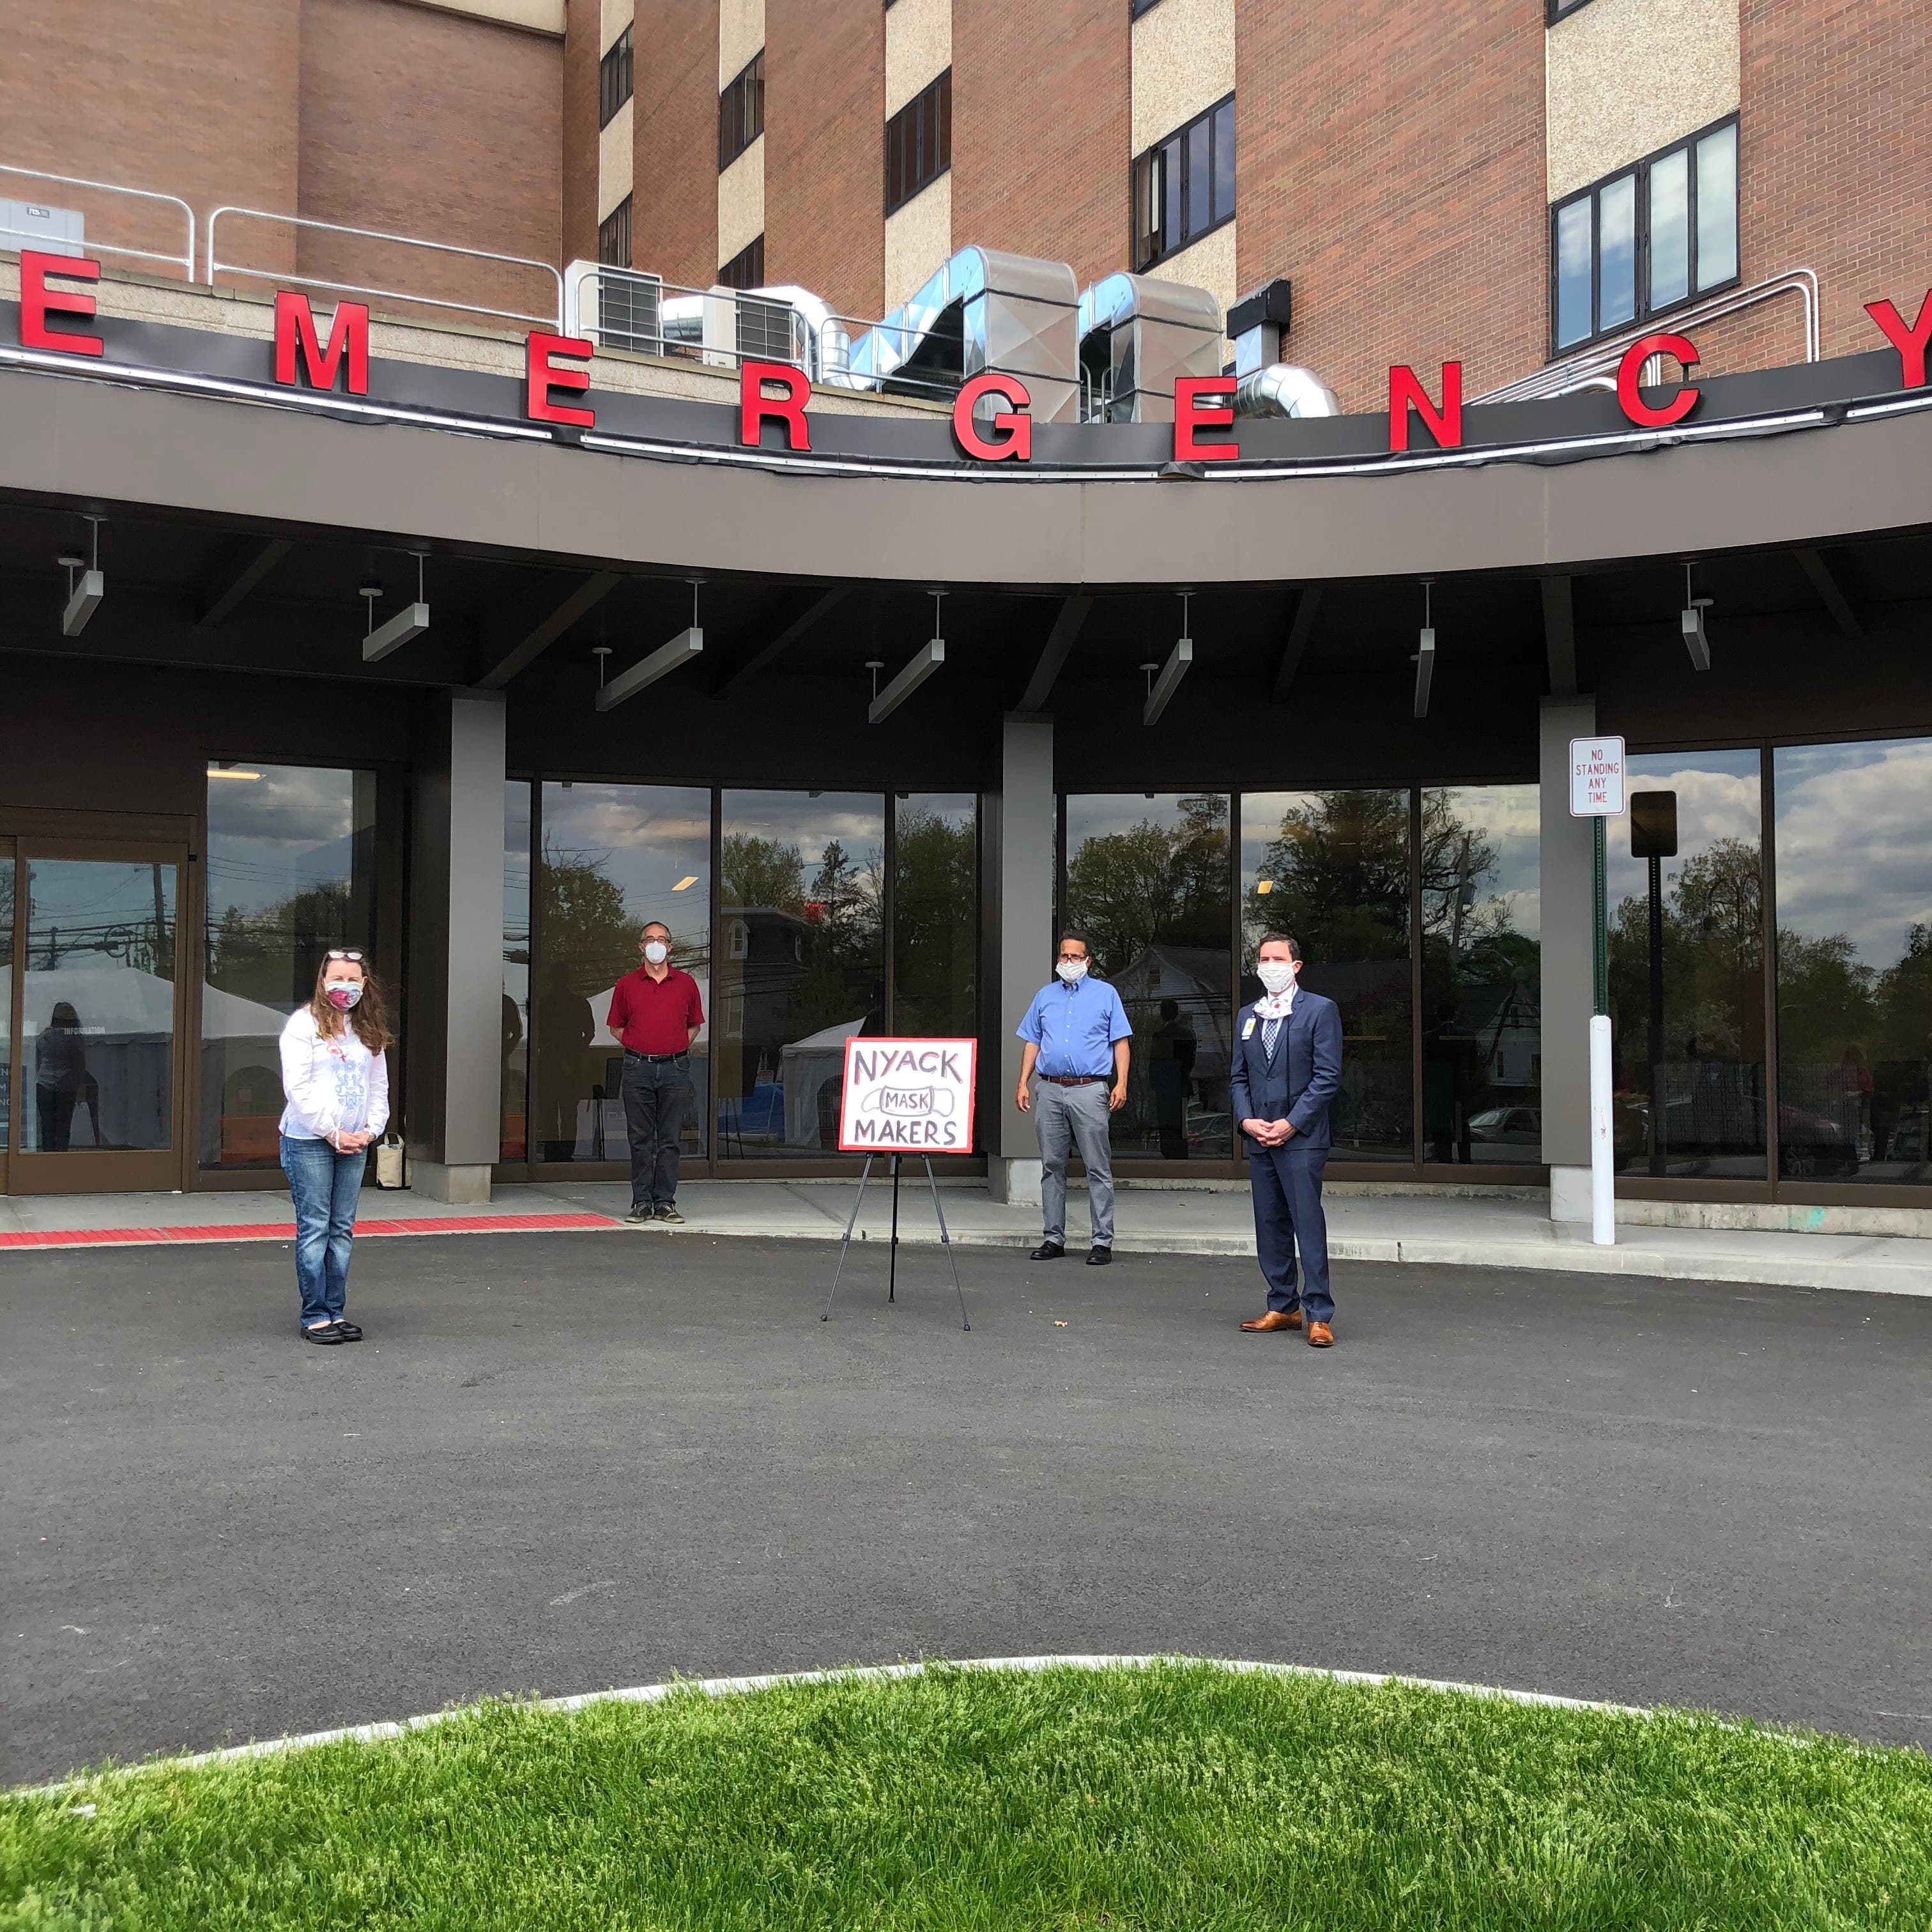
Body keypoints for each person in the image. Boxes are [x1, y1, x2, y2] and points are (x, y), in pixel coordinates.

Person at [1232, 932, 1344, 1347]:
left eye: (1277, 958)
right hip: (1260, 1138)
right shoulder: (1249, 1015)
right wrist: (1247, 1121)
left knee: (1306, 1223)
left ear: (1296, 966)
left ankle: (1318, 1314)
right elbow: (1238, 1077)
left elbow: (1328, 1076)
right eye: (1263, 958)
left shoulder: (1319, 1011)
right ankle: (1283, 1306)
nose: (1269, 965)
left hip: (1302, 1138)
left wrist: (1292, 1123)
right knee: (1269, 1223)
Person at [278, 949, 391, 1345]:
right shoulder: (302, 1025)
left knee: (341, 1229)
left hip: (354, 1143)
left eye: (354, 980)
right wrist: (333, 1132)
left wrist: (369, 1131)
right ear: (323, 982)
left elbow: (378, 1088)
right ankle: (315, 1315)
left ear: (365, 984)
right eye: (338, 978)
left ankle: (336, 1310)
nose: (346, 987)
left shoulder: (367, 1029)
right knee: (315, 1228)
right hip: (309, 1141)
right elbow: (298, 1089)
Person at [1015, 930, 1131, 1265]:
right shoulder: (1044, 996)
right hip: (1049, 1088)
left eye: (1075, 957)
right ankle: (1053, 1237)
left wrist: (1121, 1083)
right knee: (1051, 1166)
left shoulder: (1106, 994)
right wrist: (1023, 1082)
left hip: (1089, 1088)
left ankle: (1102, 1242)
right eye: (1064, 957)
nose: (1069, 962)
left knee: (1097, 1166)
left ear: (1088, 961)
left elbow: (1120, 1042)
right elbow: (1032, 1041)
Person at [608, 920, 703, 1223]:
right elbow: (616, 1027)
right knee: (640, 1139)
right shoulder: (626, 984)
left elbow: (694, 1026)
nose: (656, 944)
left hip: (676, 1067)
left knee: (670, 1138)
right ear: (641, 947)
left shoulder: (687, 984)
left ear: (671, 947)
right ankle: (641, 1202)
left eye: (662, 939)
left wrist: (671, 1049)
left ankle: (665, 1202)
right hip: (638, 1068)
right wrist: (641, 1048)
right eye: (650, 939)